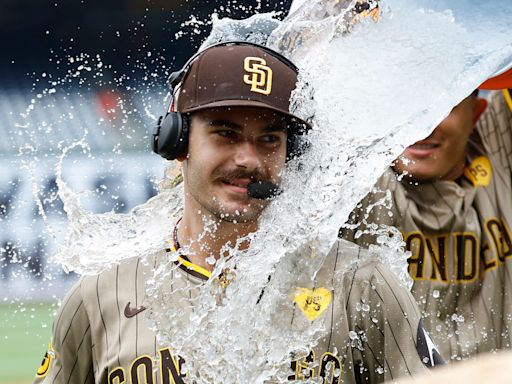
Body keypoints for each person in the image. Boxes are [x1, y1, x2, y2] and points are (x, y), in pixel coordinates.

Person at [34, 41, 438, 384]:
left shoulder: (358, 282)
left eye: (269, 139)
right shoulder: (99, 294)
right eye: (225, 133)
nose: (248, 158)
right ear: (177, 142)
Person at [341, 85, 512, 362]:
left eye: (444, 106)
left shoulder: (499, 146)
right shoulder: (353, 178)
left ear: (477, 113)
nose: (422, 124)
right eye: (405, 102)